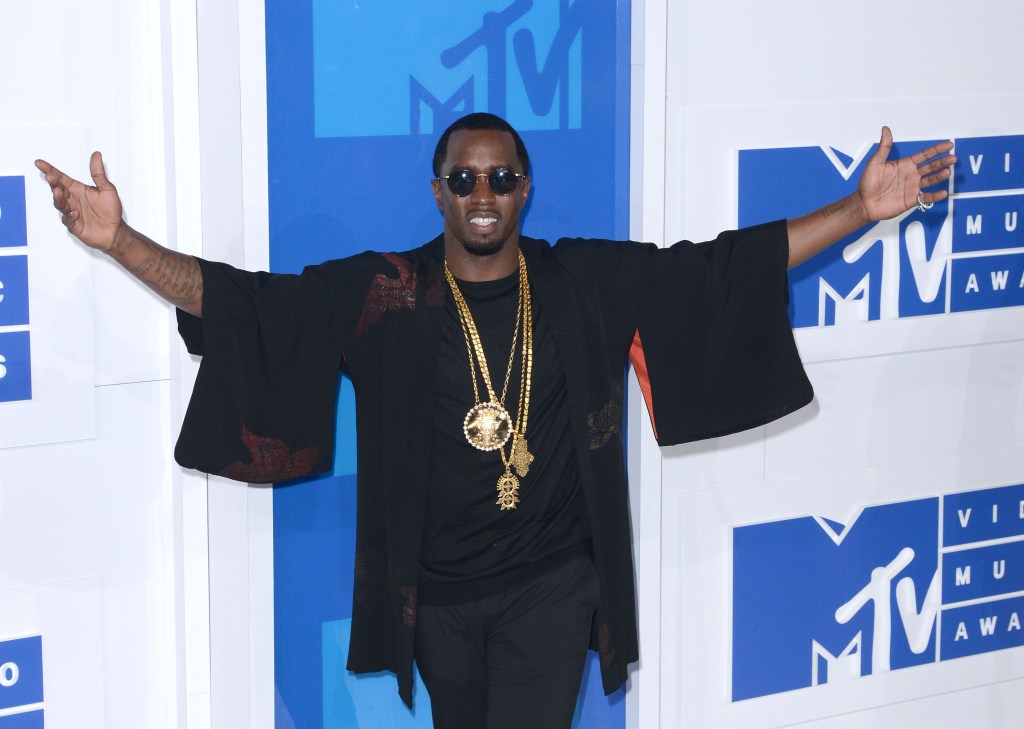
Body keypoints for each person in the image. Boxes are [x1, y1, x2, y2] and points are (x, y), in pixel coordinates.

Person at [36, 113, 955, 729]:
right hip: (433, 594)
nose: (484, 192)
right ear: (437, 190)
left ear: (525, 190)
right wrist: (120, 242)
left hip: (552, 590)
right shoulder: (385, 292)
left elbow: (720, 270)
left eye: (502, 176)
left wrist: (860, 208)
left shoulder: (581, 280)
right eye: (465, 177)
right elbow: (248, 306)